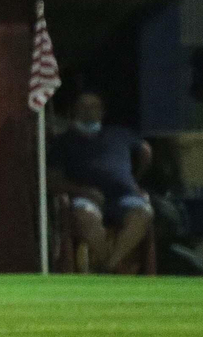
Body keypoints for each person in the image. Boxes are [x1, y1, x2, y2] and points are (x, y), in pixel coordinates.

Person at [49, 91, 155, 272]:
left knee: (144, 212)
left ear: (102, 111)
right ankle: (112, 265)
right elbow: (52, 180)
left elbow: (145, 151)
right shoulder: (63, 141)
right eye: (83, 106)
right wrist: (83, 192)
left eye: (94, 107)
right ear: (74, 110)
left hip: (123, 197)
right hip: (87, 198)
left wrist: (134, 181)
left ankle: (108, 265)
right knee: (85, 215)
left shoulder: (119, 134)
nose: (89, 111)